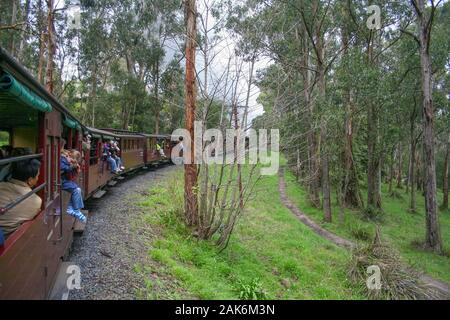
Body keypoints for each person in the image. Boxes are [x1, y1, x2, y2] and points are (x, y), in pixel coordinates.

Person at [0, 158, 42, 238]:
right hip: (7, 239)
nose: (38, 178)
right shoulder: (36, 200)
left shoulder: (1, 185)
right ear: (29, 180)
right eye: (37, 176)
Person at [61, 149, 86, 222]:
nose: (70, 159)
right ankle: (76, 210)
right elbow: (64, 168)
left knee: (77, 190)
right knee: (76, 190)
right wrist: (72, 166)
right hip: (62, 181)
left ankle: (74, 209)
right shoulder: (63, 160)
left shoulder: (67, 161)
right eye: (68, 157)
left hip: (64, 181)